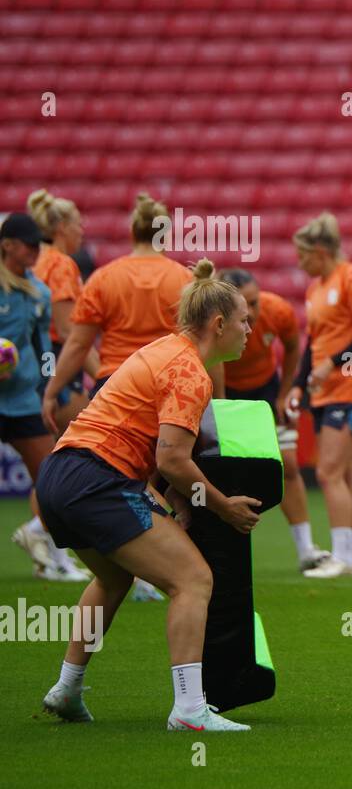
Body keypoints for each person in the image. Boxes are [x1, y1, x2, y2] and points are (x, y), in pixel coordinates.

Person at [37, 259, 261, 731]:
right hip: (96, 481)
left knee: (114, 578)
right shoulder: (190, 373)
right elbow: (172, 461)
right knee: (193, 579)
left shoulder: (165, 349)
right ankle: (189, 711)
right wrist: (223, 506)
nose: (249, 329)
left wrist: (179, 502)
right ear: (218, 324)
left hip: (59, 475)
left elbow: (152, 449)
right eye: (244, 320)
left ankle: (67, 687)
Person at [41, 193, 204, 602]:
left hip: (116, 385)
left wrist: (54, 388)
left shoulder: (104, 277)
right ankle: (157, 565)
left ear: (132, 230)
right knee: (153, 478)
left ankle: (136, 565)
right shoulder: (182, 280)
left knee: (127, 480)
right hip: (172, 385)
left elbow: (77, 344)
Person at [285, 213, 352, 579]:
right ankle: (349, 557)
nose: (299, 262)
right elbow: (314, 343)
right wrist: (299, 381)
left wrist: (334, 365)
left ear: (321, 251)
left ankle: (342, 556)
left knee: (329, 472)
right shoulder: (316, 289)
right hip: (324, 393)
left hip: (351, 389)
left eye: (303, 255)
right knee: (343, 475)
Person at [219, 268, 331, 575]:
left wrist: (283, 394)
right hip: (226, 395)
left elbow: (294, 346)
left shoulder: (277, 310)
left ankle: (306, 548)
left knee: (289, 465)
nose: (253, 312)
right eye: (246, 305)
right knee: (225, 475)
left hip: (267, 390)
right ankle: (221, 554)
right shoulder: (215, 322)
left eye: (255, 302)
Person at [0, 213, 87, 582]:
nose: (37, 250)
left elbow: (44, 350)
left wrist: (51, 389)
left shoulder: (39, 292)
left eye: (39, 243)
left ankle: (57, 560)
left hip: (22, 401)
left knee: (53, 482)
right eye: (29, 244)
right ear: (7, 246)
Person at [27, 189, 99, 434]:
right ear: (62, 228)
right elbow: (69, 333)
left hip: (34, 359)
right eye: (78, 224)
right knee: (90, 437)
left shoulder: (34, 259)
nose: (82, 231)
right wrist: (103, 377)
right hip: (56, 362)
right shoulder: (60, 264)